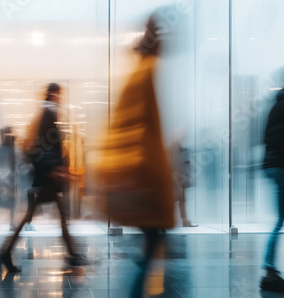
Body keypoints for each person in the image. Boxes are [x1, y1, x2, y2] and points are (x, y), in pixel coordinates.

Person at [96, 11, 175, 298]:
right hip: (144, 178)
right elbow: (136, 131)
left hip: (143, 177)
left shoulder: (141, 73)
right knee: (153, 240)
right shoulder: (145, 75)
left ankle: (135, 290)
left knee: (152, 241)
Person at [0, 83, 87, 272]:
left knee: (57, 215)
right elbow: (44, 146)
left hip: (46, 176)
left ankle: (72, 253)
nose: (60, 98)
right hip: (46, 177)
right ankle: (6, 251)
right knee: (42, 215)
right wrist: (54, 169)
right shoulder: (47, 115)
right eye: (58, 95)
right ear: (52, 95)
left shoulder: (46, 115)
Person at [260, 79, 284, 293]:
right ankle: (269, 268)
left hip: (274, 165)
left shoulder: (277, 104)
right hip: (282, 166)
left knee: (279, 219)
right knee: (279, 220)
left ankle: (270, 270)